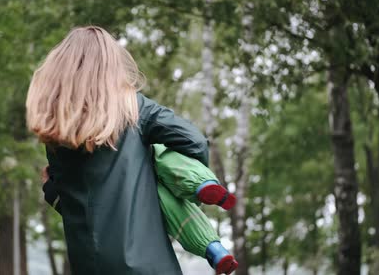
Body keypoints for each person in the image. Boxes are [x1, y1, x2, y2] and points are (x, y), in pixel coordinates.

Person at [26, 26, 238, 275]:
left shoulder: (54, 127)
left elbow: (81, 203)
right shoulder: (134, 109)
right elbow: (195, 142)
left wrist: (51, 191)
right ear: (111, 66)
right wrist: (169, 187)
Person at [42, 143, 239, 274]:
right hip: (147, 185)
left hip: (116, 216)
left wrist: (51, 191)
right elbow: (190, 138)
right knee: (161, 155)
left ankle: (210, 245)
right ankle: (201, 187)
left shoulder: (65, 151)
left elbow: (78, 210)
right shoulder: (133, 117)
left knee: (166, 199)